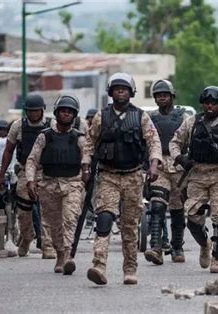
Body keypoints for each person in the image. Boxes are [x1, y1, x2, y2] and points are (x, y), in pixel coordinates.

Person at [84, 72, 162, 285]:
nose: (121, 92)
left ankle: (130, 268)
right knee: (104, 218)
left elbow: (154, 141)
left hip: (133, 176)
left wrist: (154, 164)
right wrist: (85, 164)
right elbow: (90, 142)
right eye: (117, 89)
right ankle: (99, 265)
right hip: (108, 175)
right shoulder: (102, 116)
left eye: (124, 89)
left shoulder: (140, 117)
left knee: (129, 225)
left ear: (131, 93)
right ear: (111, 92)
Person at [170, 86, 218, 273]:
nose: (210, 106)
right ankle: (205, 243)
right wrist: (180, 158)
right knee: (193, 217)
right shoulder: (192, 122)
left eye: (214, 103)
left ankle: (217, 259)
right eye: (207, 103)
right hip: (197, 174)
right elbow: (175, 143)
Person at [26, 95, 88, 274]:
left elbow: (87, 157)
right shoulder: (44, 136)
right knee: (54, 224)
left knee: (70, 218)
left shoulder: (79, 137)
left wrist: (86, 170)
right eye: (63, 111)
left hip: (72, 184)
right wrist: (30, 180)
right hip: (49, 184)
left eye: (70, 111)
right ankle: (60, 253)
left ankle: (68, 255)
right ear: (57, 113)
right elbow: (32, 160)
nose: (66, 114)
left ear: (74, 114)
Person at [0, 94, 55, 258]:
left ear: (42, 110)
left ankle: (47, 244)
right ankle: (26, 238)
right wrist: (1, 175)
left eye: (36, 111)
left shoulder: (51, 125)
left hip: (45, 171)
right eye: (30, 111)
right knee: (24, 211)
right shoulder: (18, 126)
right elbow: (8, 151)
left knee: (48, 209)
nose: (33, 114)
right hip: (24, 171)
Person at [144, 79, 188, 265]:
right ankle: (155, 247)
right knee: (157, 205)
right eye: (158, 95)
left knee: (178, 210)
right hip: (159, 163)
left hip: (178, 166)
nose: (162, 98)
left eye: (165, 95)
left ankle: (177, 247)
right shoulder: (150, 118)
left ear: (172, 96)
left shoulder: (183, 118)